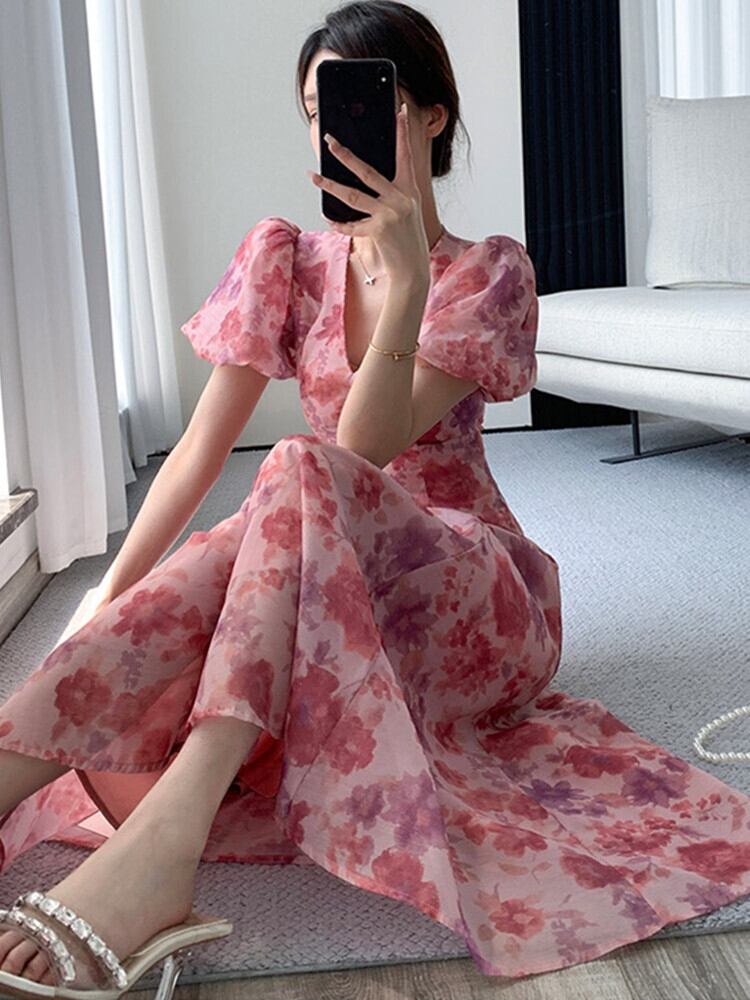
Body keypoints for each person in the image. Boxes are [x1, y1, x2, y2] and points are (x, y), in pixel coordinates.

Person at [2, 0, 750, 991]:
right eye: (319, 111)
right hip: (313, 567)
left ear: (431, 114)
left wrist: (404, 288)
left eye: (367, 102)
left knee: (300, 465)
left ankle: (164, 840)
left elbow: (360, 451)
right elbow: (195, 453)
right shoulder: (283, 257)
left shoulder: (490, 272)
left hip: (466, 584)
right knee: (272, 499)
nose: (336, 128)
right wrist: (110, 600)